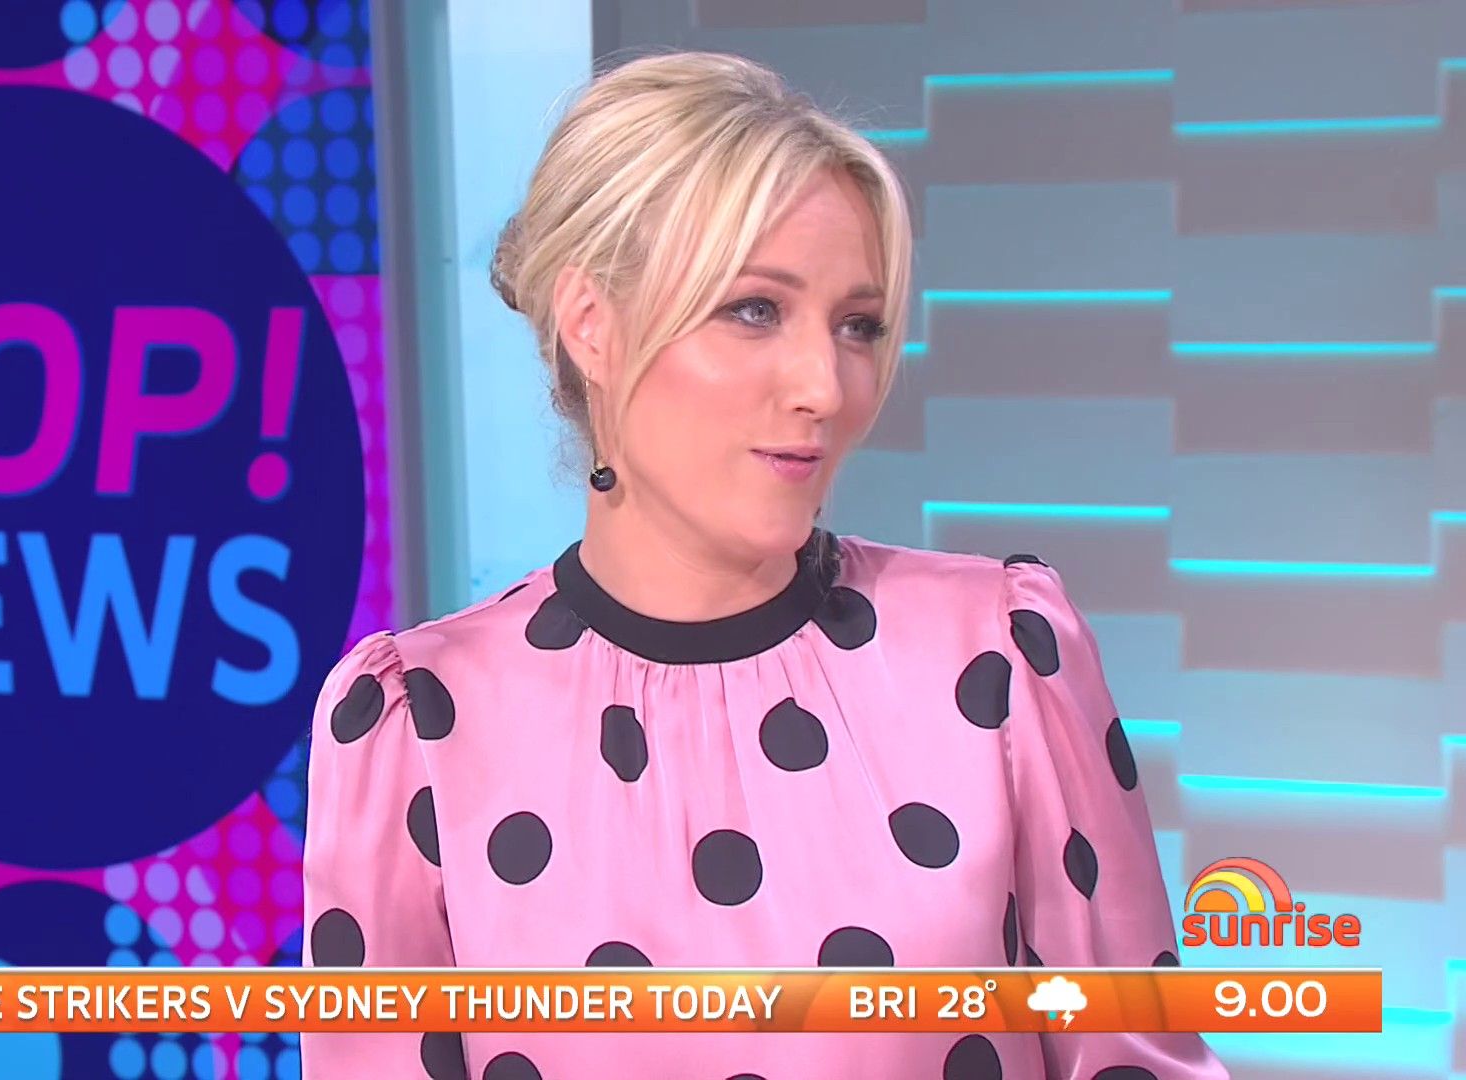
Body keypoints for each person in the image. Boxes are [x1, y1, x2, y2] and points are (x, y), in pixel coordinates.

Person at [300, 48, 1229, 1080]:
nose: (825, 386)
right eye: (755, 310)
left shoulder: (1002, 655)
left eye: (858, 326)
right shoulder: (418, 726)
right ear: (592, 325)